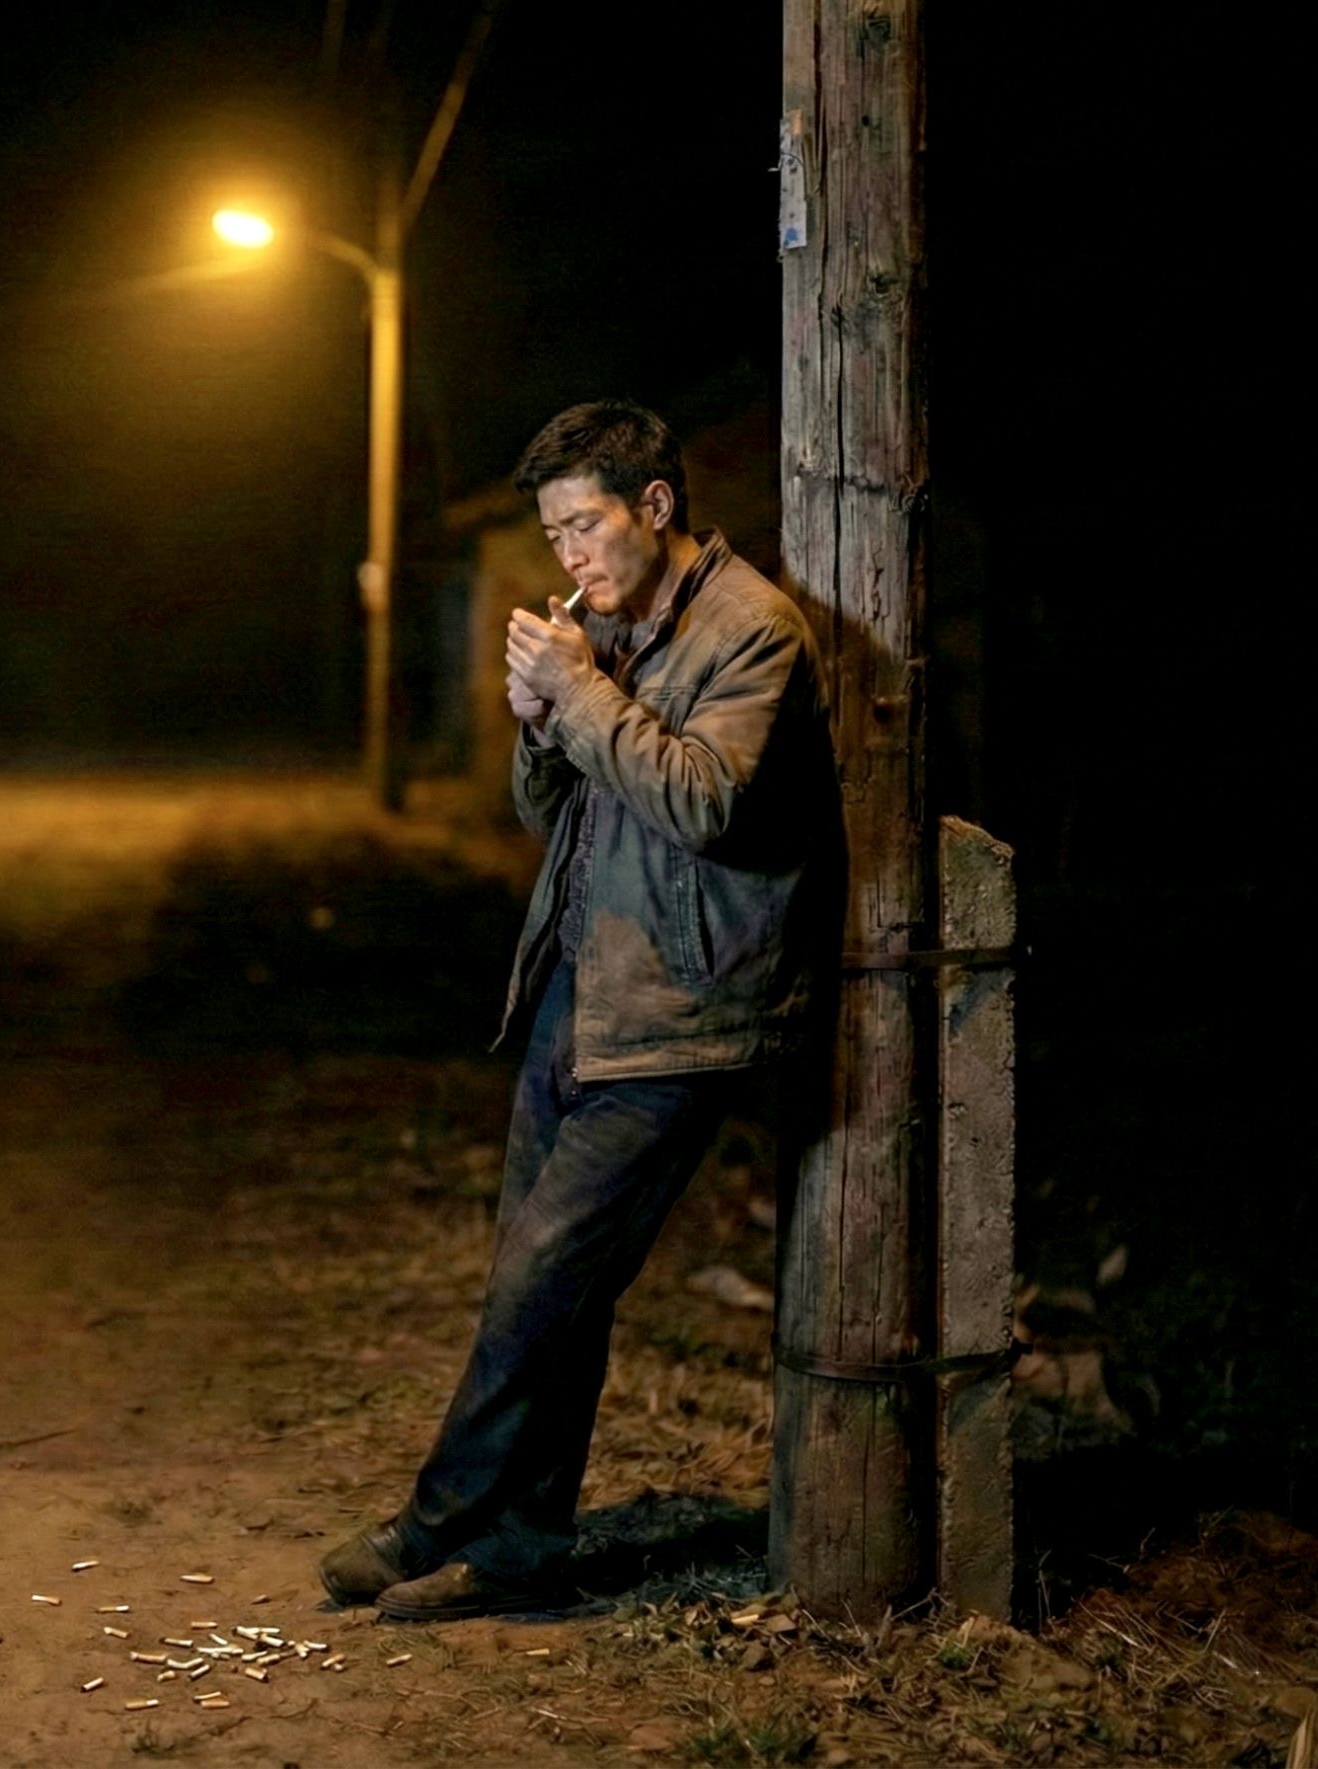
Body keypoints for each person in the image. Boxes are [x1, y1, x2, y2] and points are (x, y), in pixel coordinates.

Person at [318, 399, 843, 1621]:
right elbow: (548, 811)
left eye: (584, 526)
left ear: (653, 505)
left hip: (681, 1008)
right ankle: (521, 1553)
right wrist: (537, 722)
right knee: (549, 1285)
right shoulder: (603, 625)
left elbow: (706, 800)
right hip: (576, 981)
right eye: (552, 534)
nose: (568, 556)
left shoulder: (750, 629)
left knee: (538, 1280)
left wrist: (581, 692)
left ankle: (434, 1518)